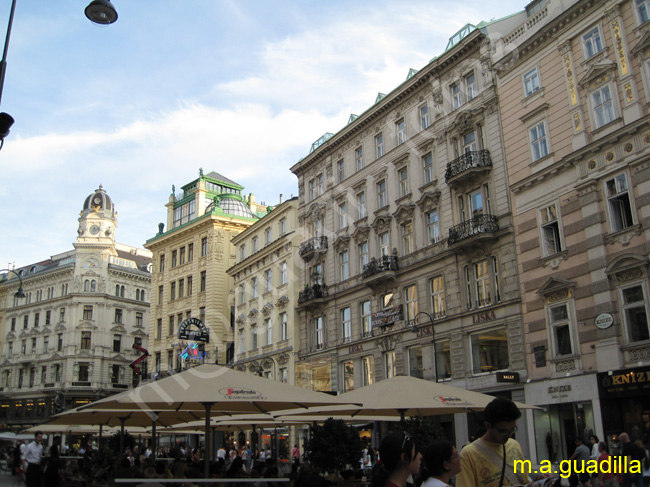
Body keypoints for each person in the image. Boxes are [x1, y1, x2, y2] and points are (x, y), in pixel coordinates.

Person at [455, 397, 529, 487]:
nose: (509, 435)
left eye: (512, 429)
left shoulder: (514, 445)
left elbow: (524, 480)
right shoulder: (469, 454)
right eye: (504, 431)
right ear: (488, 425)